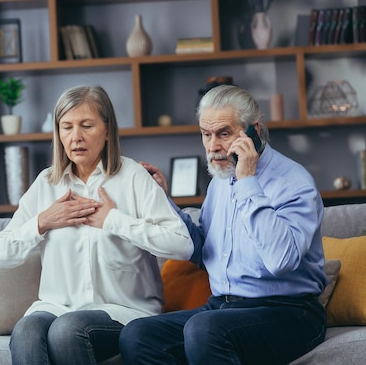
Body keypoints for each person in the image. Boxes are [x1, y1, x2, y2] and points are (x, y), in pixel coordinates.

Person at [120, 84, 328, 365]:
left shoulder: (294, 181)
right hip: (224, 309)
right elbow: (203, 252)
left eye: (224, 134)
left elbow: (281, 261)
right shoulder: (220, 181)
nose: (213, 146)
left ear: (253, 130)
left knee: (204, 329)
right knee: (138, 334)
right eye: (206, 135)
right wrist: (162, 199)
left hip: (290, 312)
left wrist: (248, 182)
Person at [0, 85, 194, 365]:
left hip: (124, 311)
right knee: (25, 329)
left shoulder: (133, 176)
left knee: (67, 330)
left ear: (108, 130)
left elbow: (182, 245)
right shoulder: (46, 183)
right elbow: (1, 254)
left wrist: (113, 220)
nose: (76, 137)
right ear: (58, 133)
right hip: (56, 306)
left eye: (87, 125)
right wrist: (42, 222)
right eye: (67, 127)